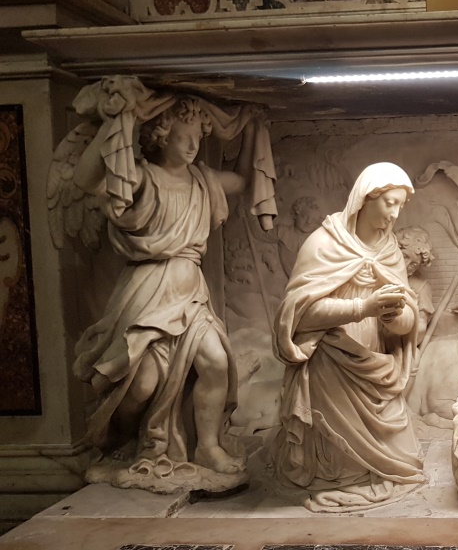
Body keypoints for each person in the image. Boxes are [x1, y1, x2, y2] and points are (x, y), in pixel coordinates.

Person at [72, 97, 257, 483]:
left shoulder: (203, 180)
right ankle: (124, 441)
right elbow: (87, 180)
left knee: (215, 363)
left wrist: (255, 129)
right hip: (147, 290)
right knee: (140, 384)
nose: (192, 145)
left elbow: (241, 181)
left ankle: (209, 446)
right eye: (182, 137)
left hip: (190, 290)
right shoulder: (142, 177)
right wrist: (114, 120)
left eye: (197, 137)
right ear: (160, 137)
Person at [272, 162, 425, 512]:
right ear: (365, 198)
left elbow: (406, 322)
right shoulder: (323, 244)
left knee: (405, 461)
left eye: (401, 205)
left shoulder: (389, 251)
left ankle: (371, 466)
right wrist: (363, 306)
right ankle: (338, 475)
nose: (395, 214)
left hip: (373, 365)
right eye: (389, 202)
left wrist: (395, 315)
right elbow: (298, 315)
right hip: (329, 361)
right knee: (339, 465)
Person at [395, 225, 436, 343]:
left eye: (414, 264)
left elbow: (421, 328)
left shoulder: (421, 286)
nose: (406, 265)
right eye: (404, 256)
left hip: (400, 340)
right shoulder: (378, 272)